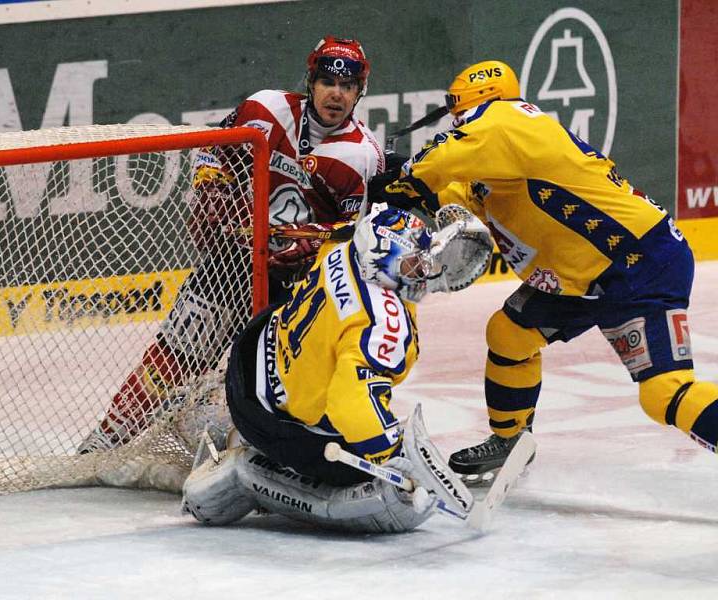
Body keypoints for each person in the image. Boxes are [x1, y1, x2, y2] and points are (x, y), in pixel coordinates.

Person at [374, 60, 718, 484]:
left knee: (664, 392)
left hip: (635, 264)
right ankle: (511, 441)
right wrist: (398, 177)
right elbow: (455, 196)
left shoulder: (506, 119)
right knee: (509, 333)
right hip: (582, 274)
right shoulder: (500, 154)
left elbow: (443, 158)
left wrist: (400, 178)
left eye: (456, 110)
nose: (456, 119)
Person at [78, 36, 385, 453]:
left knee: (273, 381)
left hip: (295, 286)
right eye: (327, 81)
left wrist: (309, 244)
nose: (336, 93)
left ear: (359, 92)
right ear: (310, 81)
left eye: (347, 86)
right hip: (232, 260)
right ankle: (106, 439)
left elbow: (353, 237)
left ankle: (264, 452)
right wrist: (211, 188)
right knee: (176, 354)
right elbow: (217, 148)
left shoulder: (362, 156)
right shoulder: (266, 109)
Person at [181, 204, 493, 532]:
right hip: (269, 418)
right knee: (371, 480)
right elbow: (351, 404)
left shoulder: (343, 248)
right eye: (413, 263)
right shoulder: (382, 325)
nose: (425, 272)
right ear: (382, 261)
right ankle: (250, 474)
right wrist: (393, 455)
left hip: (251, 354)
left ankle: (250, 436)